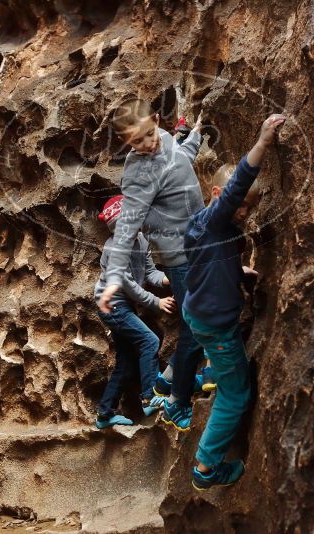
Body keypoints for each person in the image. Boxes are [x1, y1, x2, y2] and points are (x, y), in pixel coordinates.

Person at [182, 114, 286, 490]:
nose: (243, 212)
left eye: (249, 208)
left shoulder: (206, 227)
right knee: (235, 393)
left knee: (225, 368)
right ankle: (206, 468)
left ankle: (213, 369)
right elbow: (240, 181)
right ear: (216, 195)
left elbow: (207, 264)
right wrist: (262, 143)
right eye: (239, 205)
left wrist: (239, 273)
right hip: (214, 324)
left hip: (198, 312)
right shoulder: (216, 219)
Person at [97, 97, 208, 432]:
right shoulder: (138, 171)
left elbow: (182, 159)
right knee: (197, 323)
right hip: (179, 256)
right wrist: (115, 277)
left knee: (199, 321)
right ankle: (176, 401)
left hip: (202, 242)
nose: (146, 144)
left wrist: (197, 134)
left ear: (156, 120)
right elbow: (128, 226)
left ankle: (171, 379)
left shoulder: (168, 139)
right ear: (126, 143)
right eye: (136, 141)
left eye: (148, 134)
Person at [93, 195, 176, 428]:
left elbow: (150, 273)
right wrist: (157, 303)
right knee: (149, 341)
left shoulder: (140, 240)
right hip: (113, 306)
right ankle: (150, 397)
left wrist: (168, 279)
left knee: (126, 362)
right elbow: (129, 287)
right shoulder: (114, 250)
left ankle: (105, 413)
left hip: (123, 306)